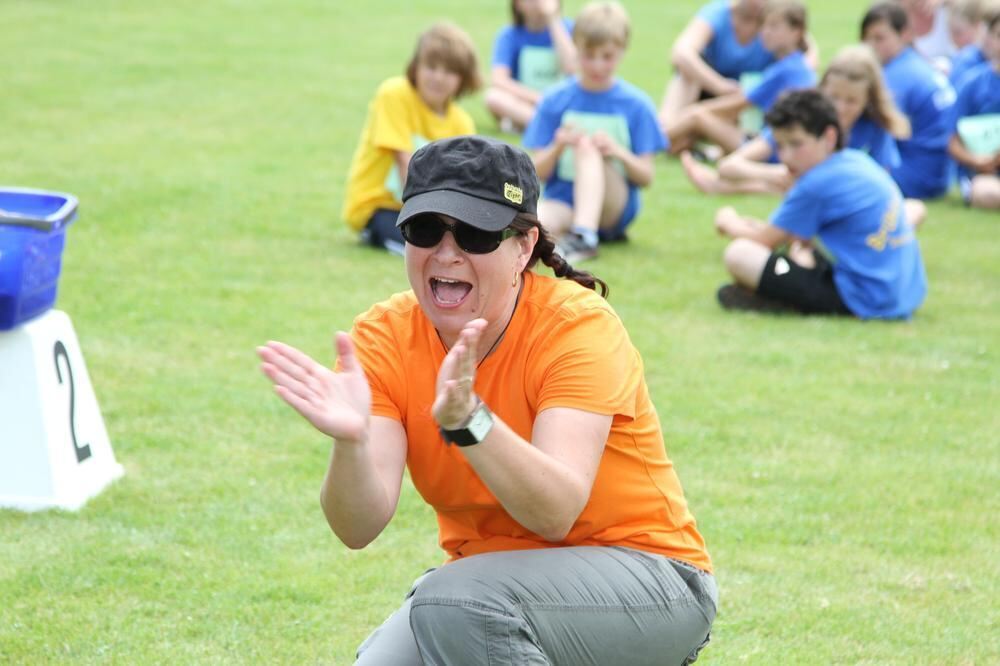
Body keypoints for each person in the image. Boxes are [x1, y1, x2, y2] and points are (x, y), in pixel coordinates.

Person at [258, 135, 718, 665]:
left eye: (475, 234)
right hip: (486, 590)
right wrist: (353, 442)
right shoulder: (382, 337)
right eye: (426, 229)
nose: (447, 252)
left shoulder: (576, 327)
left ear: (524, 247)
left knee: (451, 603)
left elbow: (555, 512)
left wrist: (470, 422)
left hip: (652, 581)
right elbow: (357, 527)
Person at [713, 89, 927, 319]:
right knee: (800, 249)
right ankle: (780, 293)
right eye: (780, 146)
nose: (786, 157)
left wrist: (728, 222)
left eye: (796, 144)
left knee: (739, 254)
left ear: (829, 137)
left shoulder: (815, 183)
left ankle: (781, 300)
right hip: (905, 294)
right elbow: (795, 237)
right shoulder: (856, 160)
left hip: (863, 299)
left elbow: (762, 243)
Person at [680, 44, 927, 226]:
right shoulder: (805, 117)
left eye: (851, 101)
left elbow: (882, 187)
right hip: (799, 194)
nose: (840, 108)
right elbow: (732, 164)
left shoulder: (876, 129)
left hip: (844, 204)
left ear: (868, 100)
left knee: (913, 210)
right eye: (835, 97)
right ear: (823, 90)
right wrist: (777, 174)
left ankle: (720, 187)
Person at [522, 1, 666, 263]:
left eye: (607, 56)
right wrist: (558, 146)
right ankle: (573, 235)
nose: (598, 65)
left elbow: (646, 176)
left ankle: (585, 236)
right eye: (589, 55)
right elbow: (535, 173)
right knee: (528, 227)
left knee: (587, 148)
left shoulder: (637, 104)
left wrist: (617, 152)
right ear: (575, 47)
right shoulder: (555, 99)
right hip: (564, 199)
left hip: (613, 207)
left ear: (622, 51)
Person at [341, 22, 480, 255]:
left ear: (463, 78)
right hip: (380, 208)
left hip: (433, 216)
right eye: (431, 67)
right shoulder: (395, 94)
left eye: (449, 71)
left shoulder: (462, 122)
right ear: (416, 67)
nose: (438, 77)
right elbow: (405, 163)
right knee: (427, 250)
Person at [663, 0, 816, 157]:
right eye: (763, 25)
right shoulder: (794, 65)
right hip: (771, 138)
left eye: (773, 27)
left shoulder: (783, 70)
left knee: (697, 117)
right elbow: (681, 53)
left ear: (796, 32)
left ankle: (656, 139)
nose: (764, 32)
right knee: (695, 111)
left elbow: (736, 105)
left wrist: (695, 113)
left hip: (770, 146)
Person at [862, 2, 957, 200]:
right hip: (943, 173)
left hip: (917, 173)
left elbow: (880, 127)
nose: (871, 46)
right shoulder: (915, 63)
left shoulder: (898, 75)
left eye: (879, 38)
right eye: (866, 39)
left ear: (904, 34)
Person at [658, 0, 775, 124]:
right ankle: (666, 129)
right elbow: (681, 53)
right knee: (687, 75)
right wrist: (720, 86)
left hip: (748, 101)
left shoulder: (776, 19)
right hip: (707, 89)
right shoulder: (719, 12)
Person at [485, 0, 577, 132]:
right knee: (493, 97)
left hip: (562, 101)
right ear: (517, 5)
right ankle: (548, 126)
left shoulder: (569, 29)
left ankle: (525, 124)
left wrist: (552, 19)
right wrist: (539, 99)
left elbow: (572, 68)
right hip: (527, 102)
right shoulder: (509, 35)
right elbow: (499, 80)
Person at [947, 5, 1000, 209]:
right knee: (984, 192)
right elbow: (952, 142)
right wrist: (978, 161)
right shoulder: (973, 83)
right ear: (989, 38)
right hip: (982, 175)